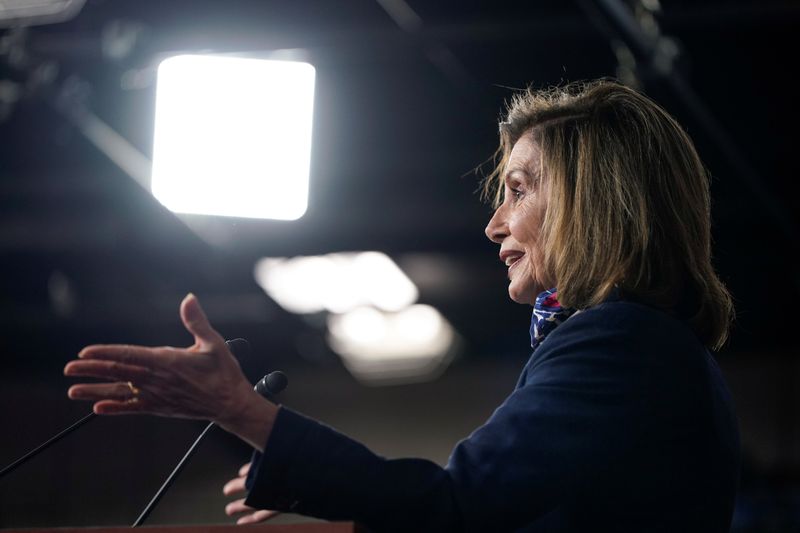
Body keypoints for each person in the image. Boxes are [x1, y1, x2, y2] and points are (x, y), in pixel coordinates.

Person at [64, 79, 740, 532]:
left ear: (592, 198)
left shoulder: (617, 345)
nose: (494, 224)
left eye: (519, 189)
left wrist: (238, 409)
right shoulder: (648, 348)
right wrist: (353, 505)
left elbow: (456, 507)